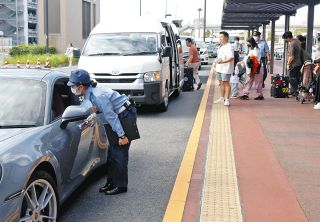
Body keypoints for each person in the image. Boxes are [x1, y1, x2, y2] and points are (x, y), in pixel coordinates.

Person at [67, 69, 137, 195]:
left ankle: (121, 186)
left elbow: (111, 116)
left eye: (73, 86)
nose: (72, 88)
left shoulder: (99, 96)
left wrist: (122, 135)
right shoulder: (90, 92)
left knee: (119, 152)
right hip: (118, 115)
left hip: (124, 115)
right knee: (111, 153)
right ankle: (111, 182)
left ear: (81, 86)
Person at [214, 31, 234, 106]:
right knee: (221, 83)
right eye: (219, 37)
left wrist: (223, 62)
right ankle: (222, 98)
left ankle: (227, 99)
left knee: (226, 83)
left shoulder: (230, 46)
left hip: (226, 69)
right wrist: (216, 64)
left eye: (221, 37)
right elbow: (219, 58)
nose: (220, 39)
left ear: (226, 37)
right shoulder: (221, 46)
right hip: (219, 68)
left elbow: (231, 58)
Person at [282, 31, 302, 97]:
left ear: (288, 38)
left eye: (285, 39)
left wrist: (288, 64)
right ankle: (294, 91)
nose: (285, 40)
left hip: (294, 64)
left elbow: (292, 56)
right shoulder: (297, 41)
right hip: (299, 63)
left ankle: (296, 91)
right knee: (296, 77)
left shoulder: (292, 44)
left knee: (291, 77)